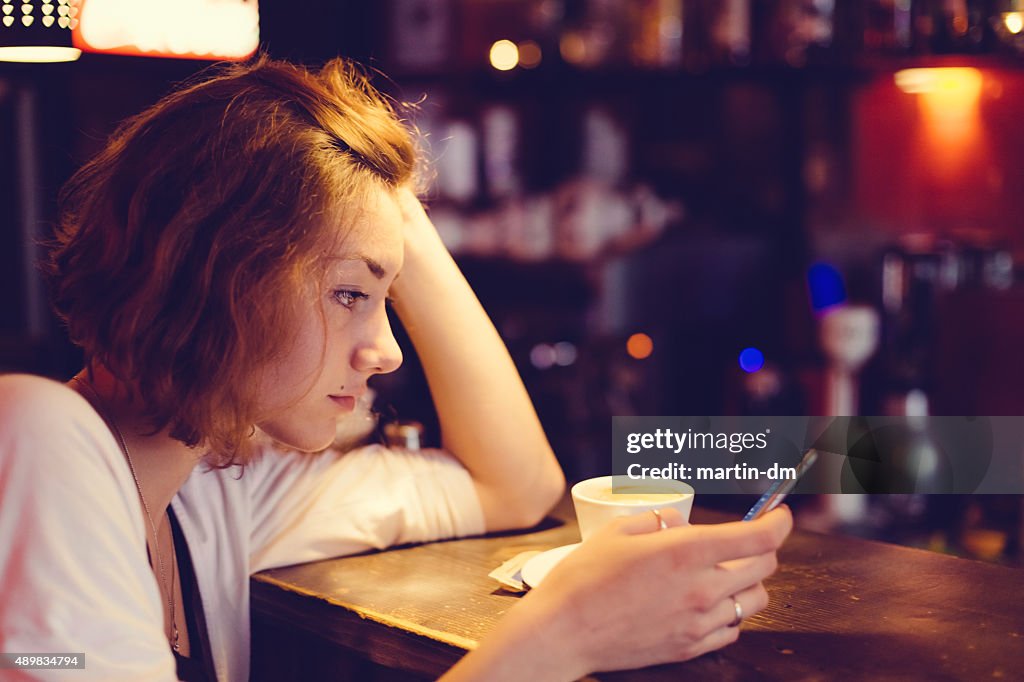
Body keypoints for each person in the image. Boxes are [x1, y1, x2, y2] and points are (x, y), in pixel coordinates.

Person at [0, 56, 792, 681]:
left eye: (382, 293)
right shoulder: (42, 433)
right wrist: (566, 637)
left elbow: (511, 485)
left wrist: (381, 200)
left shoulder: (203, 497)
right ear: (223, 271)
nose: (386, 348)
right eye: (349, 292)